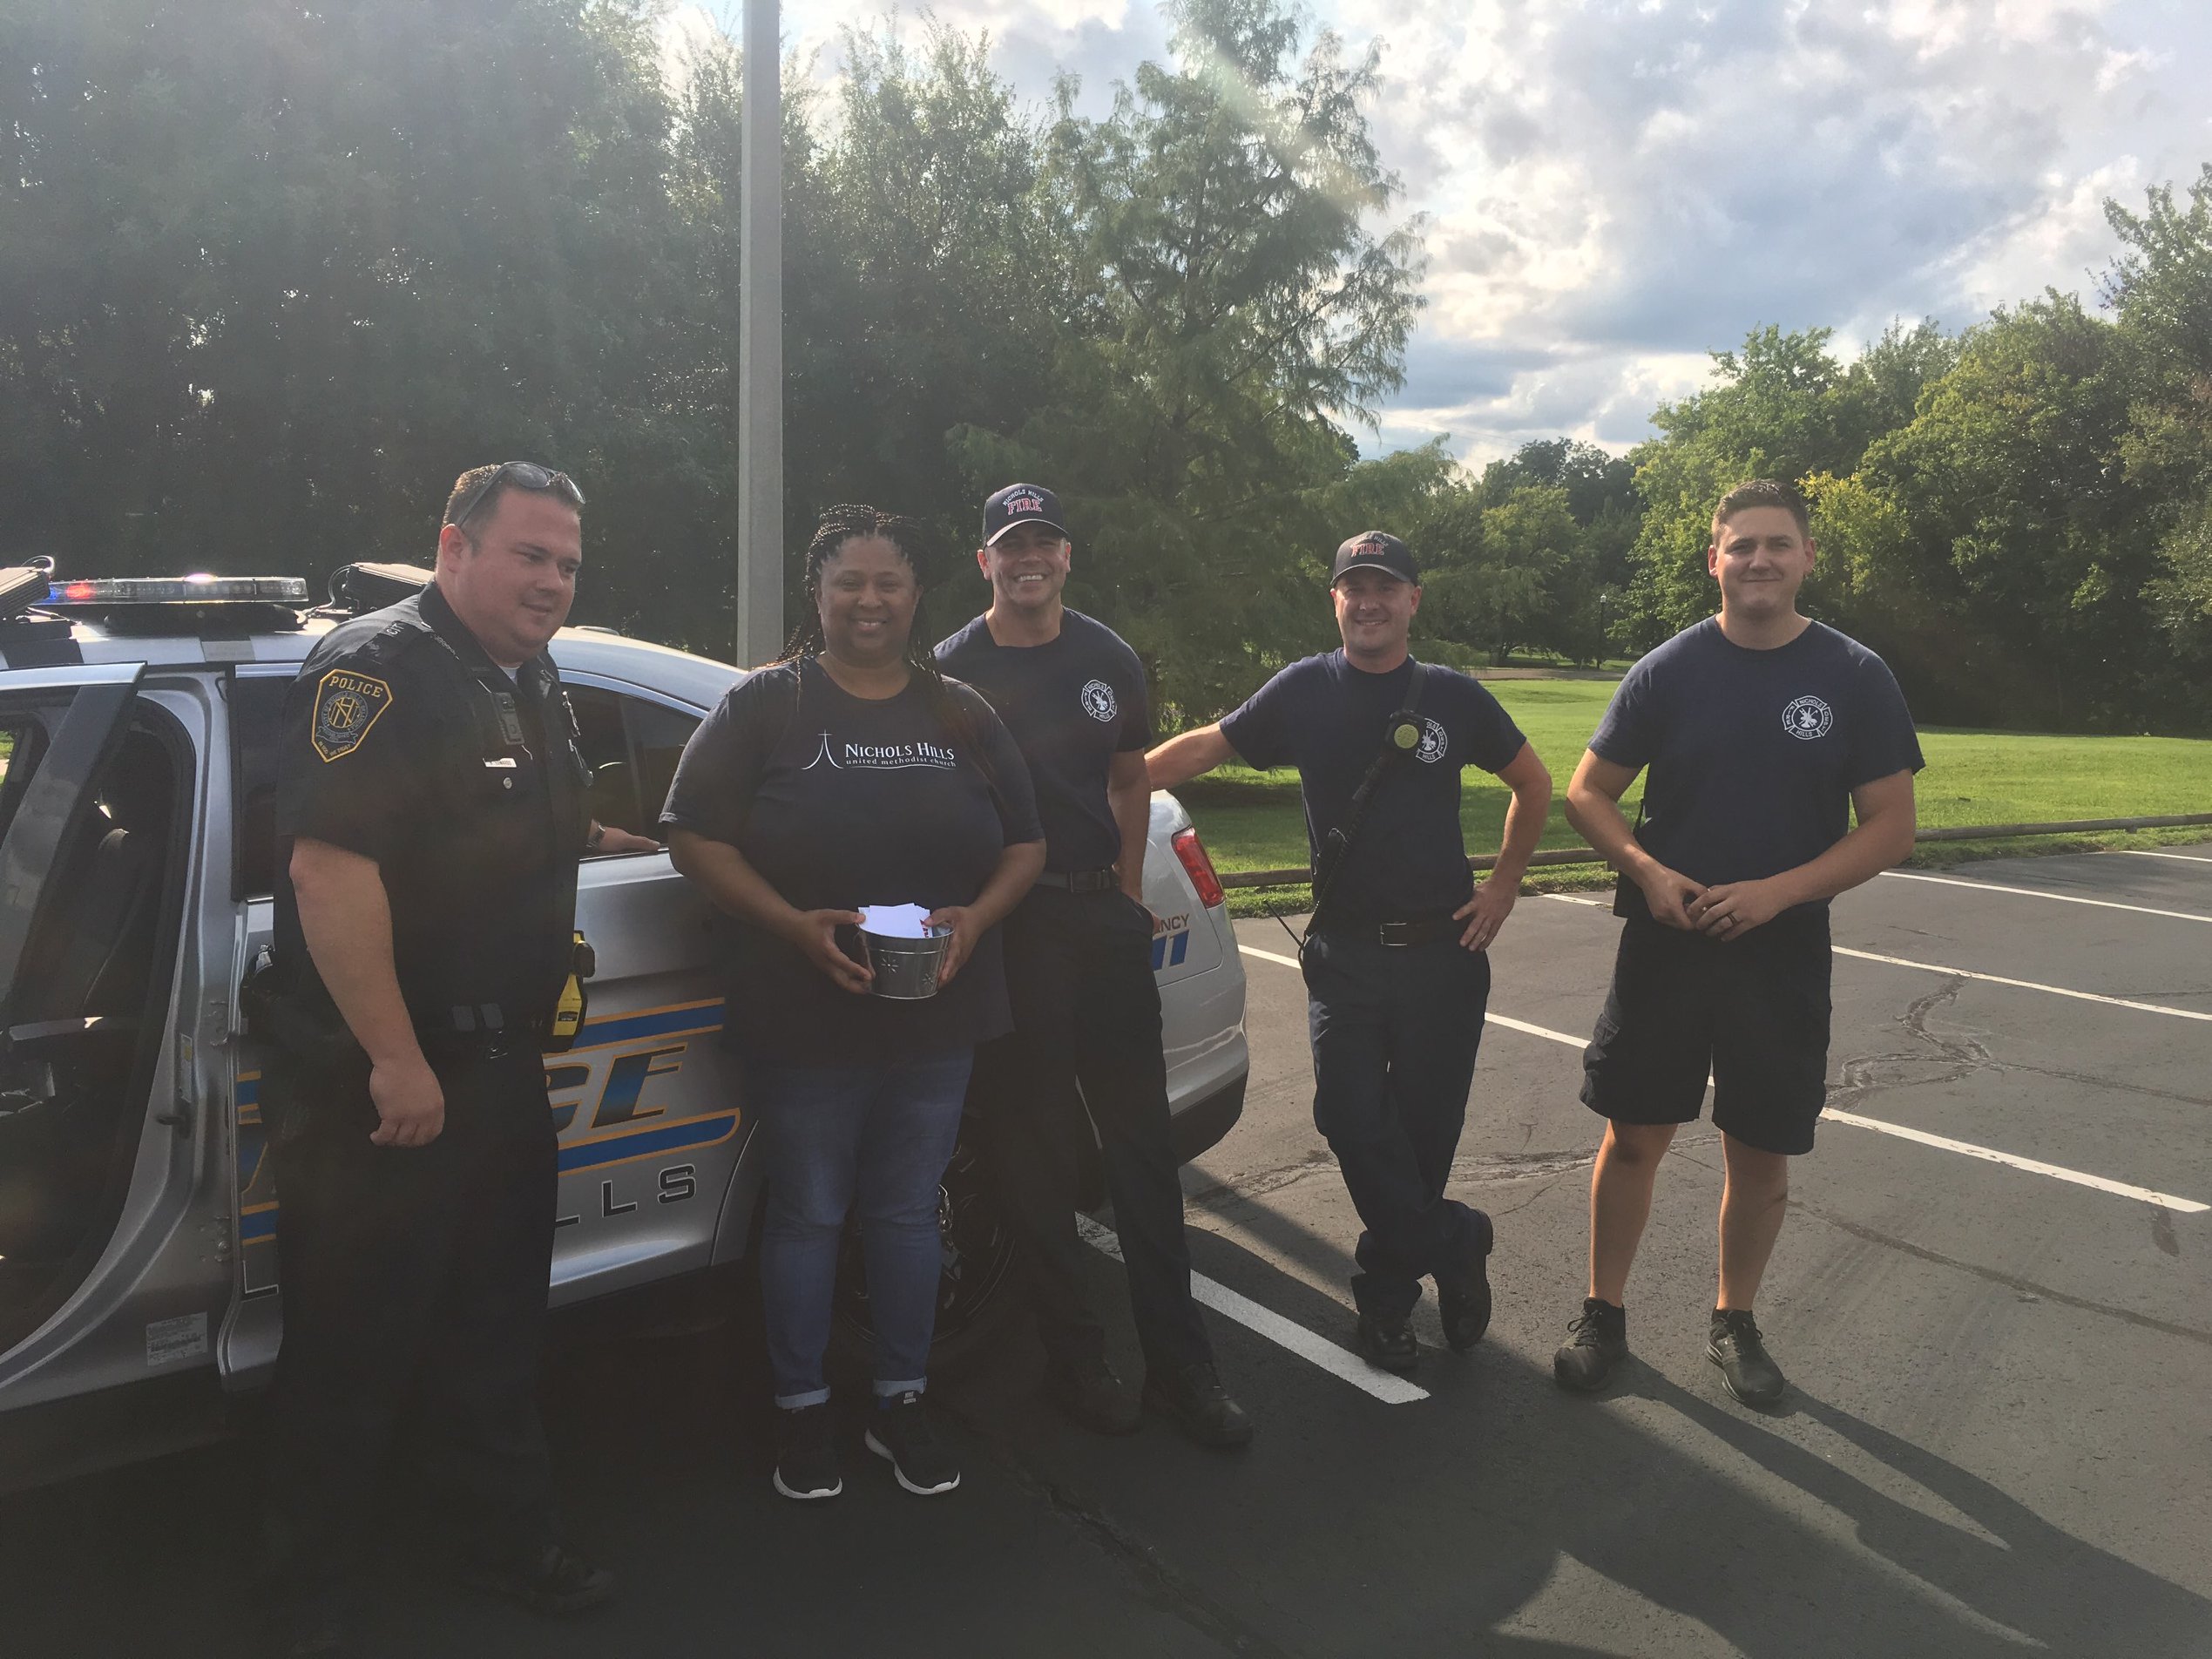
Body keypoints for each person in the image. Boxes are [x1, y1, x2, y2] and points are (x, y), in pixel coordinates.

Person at [257, 463, 656, 1657]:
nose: (550, 580)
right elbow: (330, 868)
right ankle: (302, 1595)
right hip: (385, 1089)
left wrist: (594, 832)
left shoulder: (525, 676)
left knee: (492, 1325)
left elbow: (487, 813)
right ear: (453, 548)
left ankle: (500, 1541)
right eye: (529, 554)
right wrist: (395, 1059)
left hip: (494, 1077)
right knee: (351, 1347)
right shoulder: (379, 670)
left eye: (567, 564)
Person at [662, 504, 1045, 1502]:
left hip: (935, 1012)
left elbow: (1026, 843)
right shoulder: (765, 707)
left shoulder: (960, 709)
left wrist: (976, 922)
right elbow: (692, 835)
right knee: (809, 1213)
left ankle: (902, 1398)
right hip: (805, 1010)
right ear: (817, 593)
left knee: (909, 1212)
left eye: (888, 583)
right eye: (848, 582)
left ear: (918, 596)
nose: (868, 600)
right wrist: (790, 923)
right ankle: (799, 1408)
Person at [1553, 478, 1921, 1406]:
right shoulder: (1669, 669)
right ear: (1712, 558)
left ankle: (1734, 1320)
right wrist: (1646, 871)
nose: (1758, 559)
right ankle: (1603, 1313)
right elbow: (1586, 791)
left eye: (1777, 544)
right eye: (1741, 544)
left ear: (1805, 557)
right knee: (1632, 1134)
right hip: (1665, 943)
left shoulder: (1853, 674)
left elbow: (1888, 826)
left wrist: (1776, 894)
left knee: (1760, 1144)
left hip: (1779, 950)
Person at [1147, 532, 1552, 1373]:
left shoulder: (1451, 696)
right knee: (1346, 1113)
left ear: (1412, 599)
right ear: (1334, 600)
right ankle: (1456, 1235)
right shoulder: (1303, 690)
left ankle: (1386, 1302)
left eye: (1384, 586)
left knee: (1425, 1135)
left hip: (1445, 952)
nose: (1367, 601)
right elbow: (1204, 747)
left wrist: (1505, 882)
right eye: (1351, 587)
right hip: (1346, 955)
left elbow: (1532, 782)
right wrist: (1114, 787)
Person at [936, 483, 1251, 1448]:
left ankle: (1181, 1367)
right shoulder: (953, 665)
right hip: (1016, 931)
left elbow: (1125, 777)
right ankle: (1075, 1361)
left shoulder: (1106, 656)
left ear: (1065, 555)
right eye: (1009, 544)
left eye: (1043, 541)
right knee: (1032, 1157)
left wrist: (1121, 887)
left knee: (1140, 1151)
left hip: (1099, 922)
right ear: (983, 560)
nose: (1027, 557)